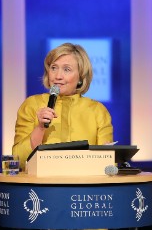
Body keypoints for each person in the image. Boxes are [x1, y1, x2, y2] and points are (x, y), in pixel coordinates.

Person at [13, 43, 114, 171]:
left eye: (67, 69)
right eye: (54, 68)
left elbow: (108, 165)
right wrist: (40, 128)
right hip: (41, 187)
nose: (57, 76)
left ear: (80, 77)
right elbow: (18, 160)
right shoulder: (32, 105)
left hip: (84, 186)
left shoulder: (97, 110)